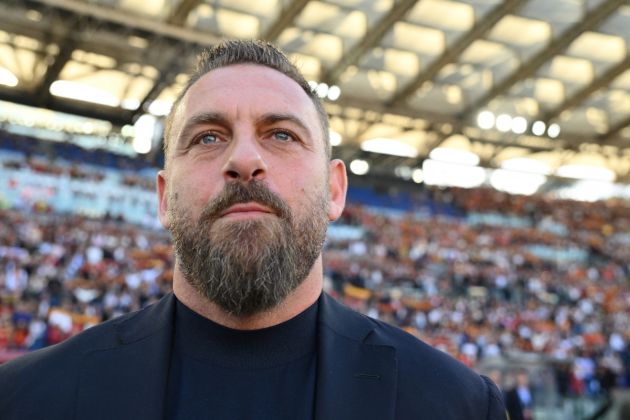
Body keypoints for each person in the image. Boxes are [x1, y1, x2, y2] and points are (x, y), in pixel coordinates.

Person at [0, 40, 506, 419]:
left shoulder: (455, 404)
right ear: (163, 198)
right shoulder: (25, 398)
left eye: (281, 134)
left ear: (335, 190)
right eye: (207, 137)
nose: (244, 159)